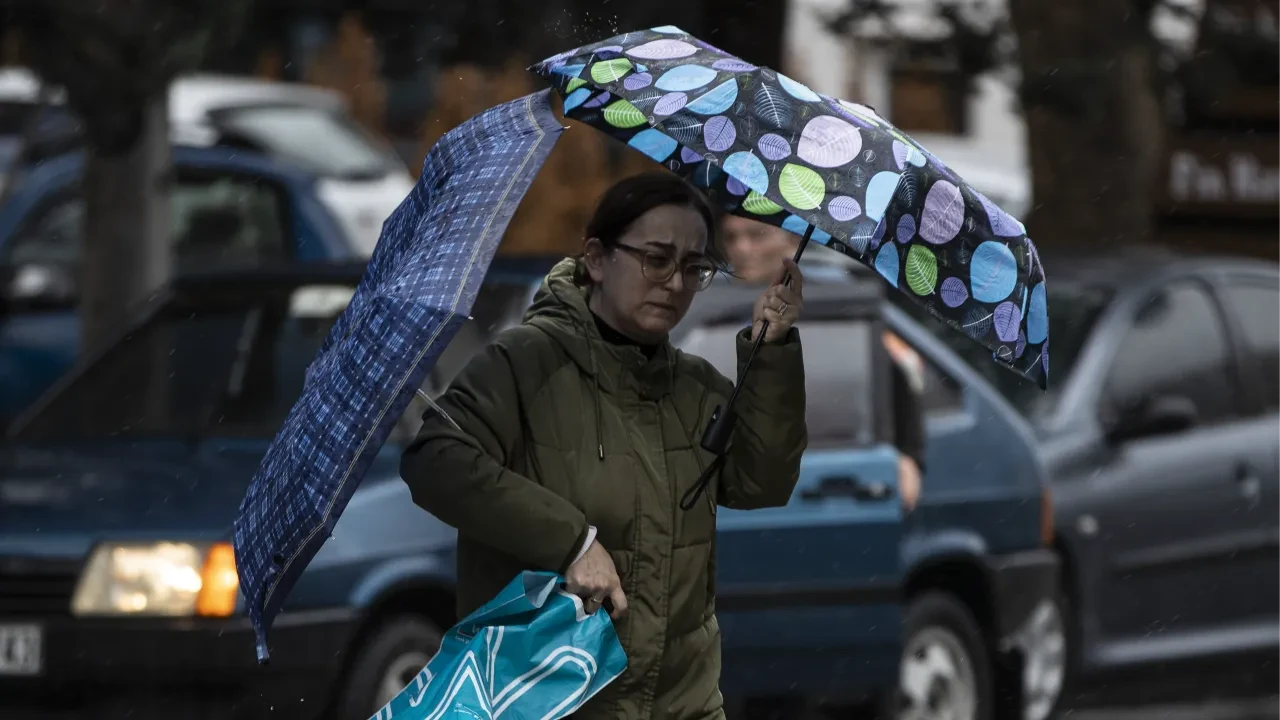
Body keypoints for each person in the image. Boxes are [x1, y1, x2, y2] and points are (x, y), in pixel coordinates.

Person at [401, 172, 808, 720]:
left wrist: (772, 352)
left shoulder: (696, 389)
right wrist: (572, 542)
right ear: (596, 258)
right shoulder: (522, 364)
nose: (675, 282)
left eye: (694, 267)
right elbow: (436, 461)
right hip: (549, 702)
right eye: (656, 260)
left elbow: (762, 483)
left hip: (682, 706)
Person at [721, 214, 925, 509]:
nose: (741, 248)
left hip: (827, 465)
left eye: (756, 235)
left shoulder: (835, 296)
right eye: (731, 237)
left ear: (792, 238)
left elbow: (900, 368)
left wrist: (909, 456)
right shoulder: (709, 300)